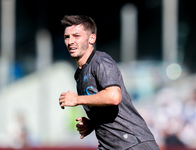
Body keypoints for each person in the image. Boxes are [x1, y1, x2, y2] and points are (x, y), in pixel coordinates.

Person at [59, 15, 160, 150]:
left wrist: (77, 99)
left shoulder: (101, 62)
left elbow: (113, 97)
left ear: (91, 38)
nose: (70, 41)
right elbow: (104, 106)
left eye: (76, 36)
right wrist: (93, 123)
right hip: (110, 146)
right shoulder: (79, 74)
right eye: (67, 37)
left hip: (133, 143)